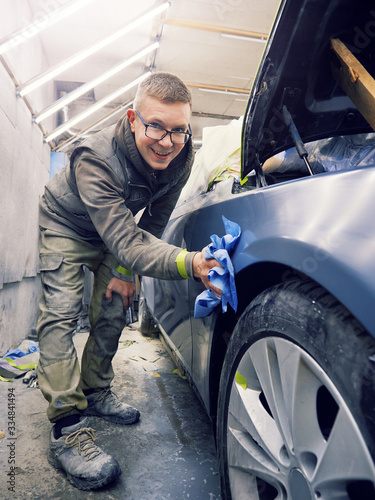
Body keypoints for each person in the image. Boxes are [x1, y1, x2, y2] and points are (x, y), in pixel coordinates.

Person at [37, 72, 221, 490]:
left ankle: (96, 389)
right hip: (67, 225)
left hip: (115, 234)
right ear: (133, 117)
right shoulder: (95, 156)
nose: (167, 141)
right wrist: (190, 262)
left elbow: (153, 222)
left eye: (178, 129)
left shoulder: (182, 153)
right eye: (155, 126)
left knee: (116, 305)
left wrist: (125, 273)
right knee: (61, 314)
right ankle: (66, 426)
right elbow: (125, 239)